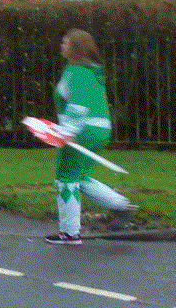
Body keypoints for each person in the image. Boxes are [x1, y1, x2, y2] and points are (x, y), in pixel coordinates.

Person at [45, 29, 138, 244]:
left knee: (66, 177)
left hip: (81, 130)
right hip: (100, 130)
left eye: (66, 43)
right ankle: (120, 205)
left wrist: (67, 132)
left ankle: (69, 233)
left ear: (75, 48)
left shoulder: (75, 71)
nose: (62, 46)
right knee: (79, 176)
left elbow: (78, 103)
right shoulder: (92, 72)